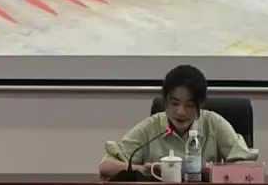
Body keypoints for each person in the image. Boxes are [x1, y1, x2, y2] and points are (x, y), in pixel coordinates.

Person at [99, 64, 258, 179]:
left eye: (189, 105)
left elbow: (249, 168)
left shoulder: (214, 124)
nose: (180, 112)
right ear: (165, 101)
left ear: (200, 104)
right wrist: (145, 170)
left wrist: (211, 171)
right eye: (174, 103)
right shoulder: (151, 127)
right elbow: (106, 165)